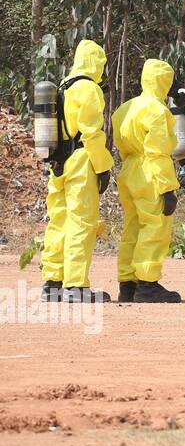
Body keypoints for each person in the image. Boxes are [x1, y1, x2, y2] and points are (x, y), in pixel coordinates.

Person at [40, 39, 115, 303]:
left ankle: (53, 282)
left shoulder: (62, 86)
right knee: (81, 222)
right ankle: (75, 286)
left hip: (58, 163)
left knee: (58, 221)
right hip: (82, 160)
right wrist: (103, 167)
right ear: (96, 63)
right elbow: (92, 134)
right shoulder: (88, 89)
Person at [111, 59, 182, 303]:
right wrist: (168, 187)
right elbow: (158, 152)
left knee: (132, 227)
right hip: (151, 171)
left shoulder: (125, 108)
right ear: (164, 81)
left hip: (128, 169)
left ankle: (128, 284)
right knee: (154, 227)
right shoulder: (157, 110)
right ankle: (148, 284)